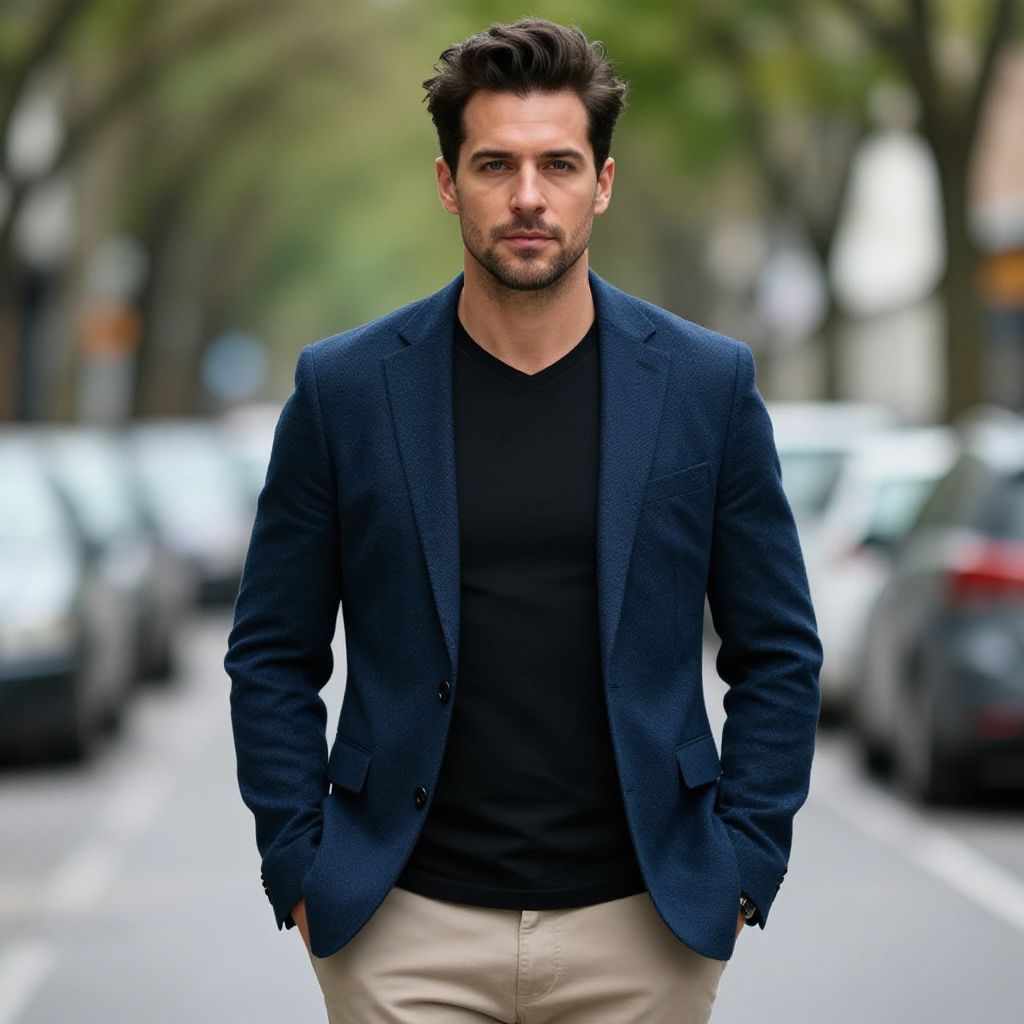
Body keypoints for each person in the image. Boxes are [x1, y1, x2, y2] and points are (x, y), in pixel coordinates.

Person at [225, 17, 822, 1024]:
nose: (529, 197)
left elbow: (777, 649)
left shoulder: (703, 384)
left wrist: (744, 864)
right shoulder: (346, 389)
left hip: (643, 925)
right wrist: (300, 862)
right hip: (403, 926)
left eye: (559, 163)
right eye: (495, 164)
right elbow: (273, 650)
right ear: (449, 182)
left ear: (603, 182)